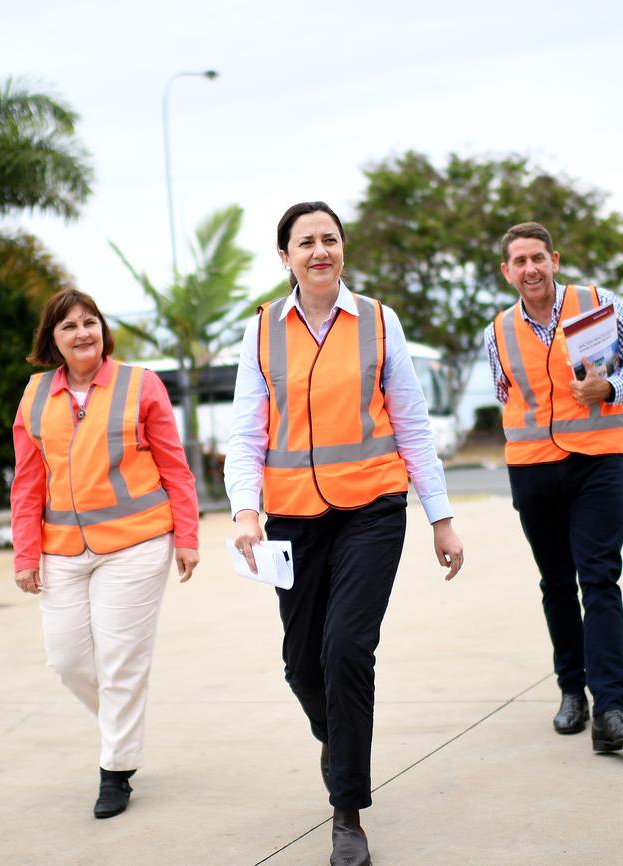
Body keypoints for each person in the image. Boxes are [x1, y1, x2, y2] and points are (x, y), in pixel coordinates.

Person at [225, 201, 463, 866]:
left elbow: (413, 424)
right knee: (302, 666)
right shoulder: (261, 332)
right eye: (306, 242)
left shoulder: (379, 323)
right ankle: (340, 741)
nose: (319, 250)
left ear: (342, 250)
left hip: (371, 511)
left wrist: (439, 518)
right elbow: (245, 431)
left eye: (329, 238)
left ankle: (347, 813)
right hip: (293, 520)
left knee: (348, 649)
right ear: (285, 257)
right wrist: (246, 509)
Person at [11, 289, 200, 819]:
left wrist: (187, 536)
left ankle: (115, 771)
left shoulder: (141, 385)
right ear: (52, 339)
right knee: (67, 659)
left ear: (103, 329)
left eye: (89, 322)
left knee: (121, 663)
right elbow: (27, 483)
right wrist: (26, 553)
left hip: (136, 543)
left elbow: (175, 467)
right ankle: (125, 723)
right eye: (68, 326)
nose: (82, 333)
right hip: (63, 548)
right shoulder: (34, 396)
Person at [485, 221, 623, 752]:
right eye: (519, 262)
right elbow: (505, 394)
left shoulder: (597, 303)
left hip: (596, 461)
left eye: (538, 258)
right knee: (556, 582)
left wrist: (610, 385)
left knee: (599, 578)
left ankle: (611, 710)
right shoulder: (497, 331)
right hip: (532, 468)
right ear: (507, 271)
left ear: (554, 259)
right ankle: (571, 692)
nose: (530, 269)